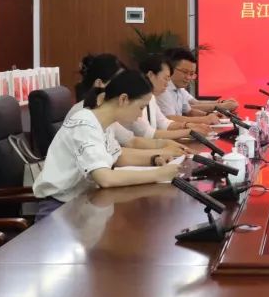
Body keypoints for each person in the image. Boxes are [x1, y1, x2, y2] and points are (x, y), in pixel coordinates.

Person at [33, 70, 185, 221]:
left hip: (82, 205)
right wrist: (158, 174)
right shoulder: (85, 124)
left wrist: (155, 158)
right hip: (59, 211)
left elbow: (118, 156)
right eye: (141, 107)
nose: (140, 115)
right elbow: (105, 178)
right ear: (123, 99)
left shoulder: (104, 122)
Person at [70, 53, 186, 155]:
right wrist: (160, 152)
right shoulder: (84, 115)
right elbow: (102, 169)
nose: (123, 87)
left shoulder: (104, 112)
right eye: (118, 82)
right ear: (99, 84)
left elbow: (129, 142)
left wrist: (164, 147)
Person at [131, 54, 213, 140]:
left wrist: (188, 125)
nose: (167, 84)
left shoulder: (151, 97)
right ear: (151, 75)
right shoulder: (134, 98)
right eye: (165, 78)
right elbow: (147, 133)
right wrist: (189, 132)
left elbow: (163, 123)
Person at [156, 48, 236, 121]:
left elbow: (189, 112)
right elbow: (170, 118)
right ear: (170, 69)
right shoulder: (163, 89)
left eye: (191, 74)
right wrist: (206, 118)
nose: (188, 77)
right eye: (185, 72)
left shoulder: (179, 88)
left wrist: (209, 115)